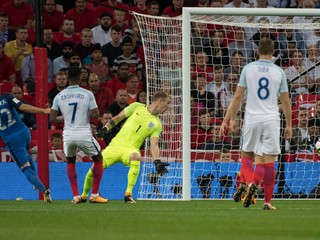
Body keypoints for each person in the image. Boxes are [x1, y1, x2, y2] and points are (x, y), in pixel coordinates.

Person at [220, 38, 292, 210]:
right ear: (273, 51)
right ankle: (266, 201)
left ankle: (248, 182)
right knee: (268, 162)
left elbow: (237, 97)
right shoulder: (279, 72)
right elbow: (286, 101)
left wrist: (229, 119)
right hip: (271, 119)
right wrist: (289, 125)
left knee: (246, 156)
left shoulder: (248, 69)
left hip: (252, 117)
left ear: (257, 51)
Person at [81, 91, 171, 203]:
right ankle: (84, 195)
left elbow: (154, 144)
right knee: (93, 170)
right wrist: (105, 129)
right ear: (160, 101)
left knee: (136, 156)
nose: (168, 107)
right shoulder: (136, 106)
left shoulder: (157, 124)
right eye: (167, 103)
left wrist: (157, 161)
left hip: (130, 149)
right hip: (115, 146)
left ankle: (128, 194)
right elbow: (118, 118)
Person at [50, 66, 108, 204]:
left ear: (68, 77)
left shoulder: (59, 96)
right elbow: (96, 115)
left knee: (70, 162)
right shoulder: (87, 94)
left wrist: (67, 116)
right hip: (83, 134)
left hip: (68, 135)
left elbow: (52, 118)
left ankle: (76, 195)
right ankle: (94, 195)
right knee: (99, 159)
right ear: (81, 78)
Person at [0, 91, 52, 203]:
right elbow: (23, 107)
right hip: (24, 133)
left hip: (12, 140)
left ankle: (44, 190)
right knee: (26, 156)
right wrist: (43, 110)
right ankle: (36, 182)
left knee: (25, 168)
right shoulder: (7, 97)